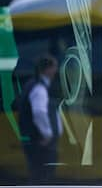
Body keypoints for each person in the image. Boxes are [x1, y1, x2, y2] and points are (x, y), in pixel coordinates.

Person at [18, 54, 63, 184]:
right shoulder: (39, 88)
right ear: (47, 69)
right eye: (54, 67)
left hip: (38, 141)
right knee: (42, 175)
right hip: (41, 142)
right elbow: (39, 112)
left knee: (39, 173)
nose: (56, 70)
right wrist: (47, 134)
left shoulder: (35, 85)